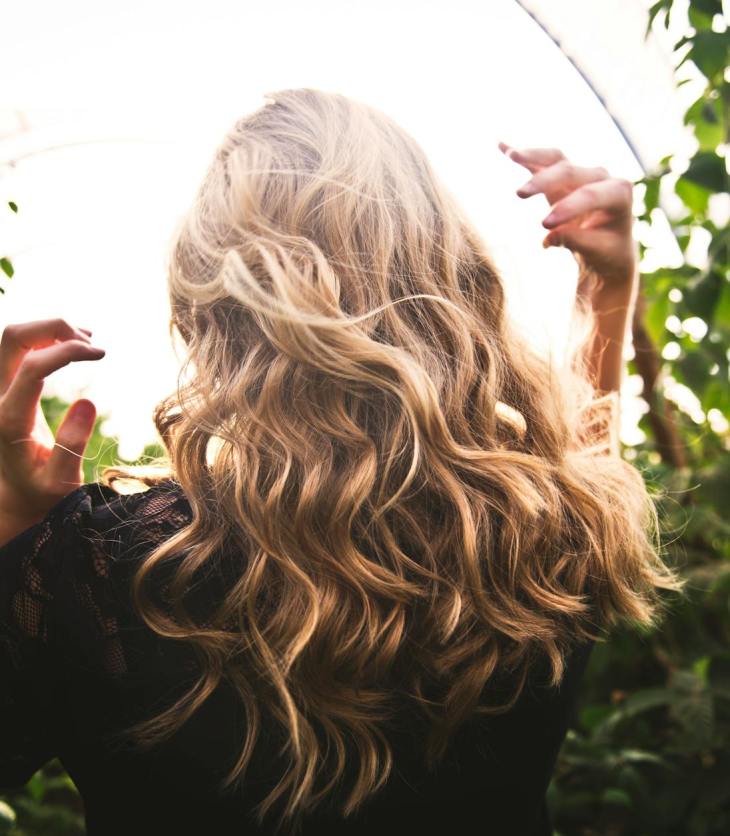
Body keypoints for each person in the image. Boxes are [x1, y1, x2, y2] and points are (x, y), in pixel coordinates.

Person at [0, 88, 684, 836]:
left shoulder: (98, 573)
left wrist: (20, 539)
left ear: (210, 303)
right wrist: (608, 290)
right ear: (444, 269)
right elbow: (584, 471)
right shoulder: (551, 534)